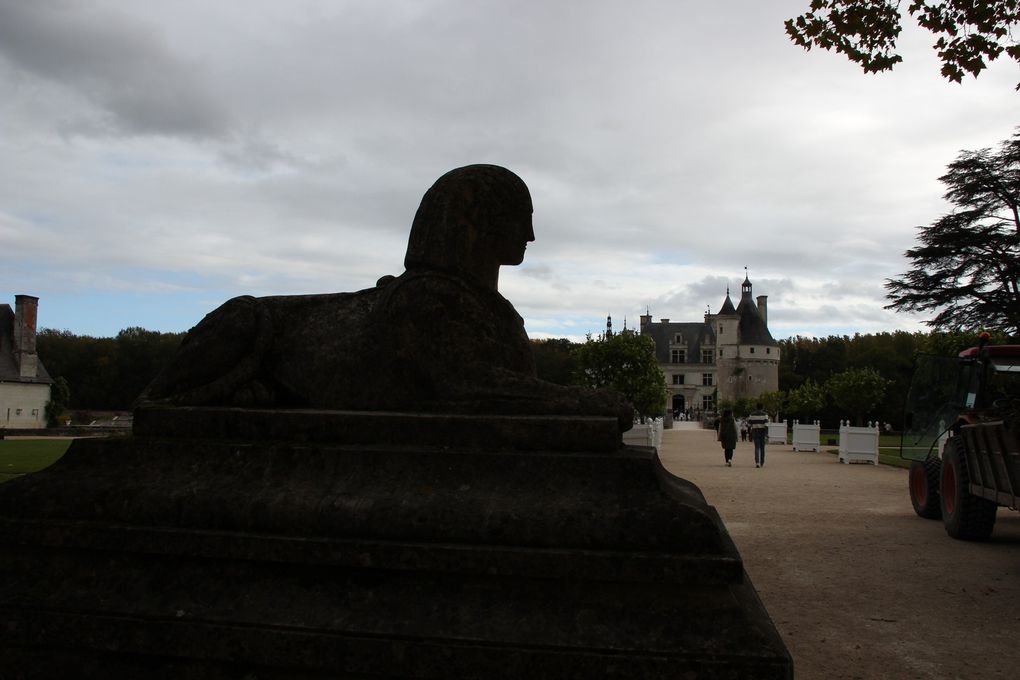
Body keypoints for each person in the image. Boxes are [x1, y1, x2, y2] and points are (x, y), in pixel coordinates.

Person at [139, 164, 632, 429]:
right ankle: (185, 400)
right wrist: (585, 399)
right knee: (244, 318)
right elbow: (469, 387)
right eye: (516, 216)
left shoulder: (482, 310)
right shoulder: (426, 302)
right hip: (262, 327)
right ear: (477, 220)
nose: (528, 234)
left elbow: (500, 387)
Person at [747, 403, 769, 468]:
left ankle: (757, 462)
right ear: (763, 407)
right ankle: (762, 462)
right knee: (762, 447)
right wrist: (766, 433)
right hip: (762, 431)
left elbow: (749, 424)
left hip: (755, 431)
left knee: (757, 447)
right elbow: (766, 425)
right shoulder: (765, 414)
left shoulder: (752, 414)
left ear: (756, 407)